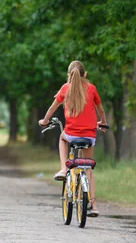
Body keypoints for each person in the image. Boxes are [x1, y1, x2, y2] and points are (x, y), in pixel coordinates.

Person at [38, 60, 107, 217]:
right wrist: (102, 123)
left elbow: (52, 108)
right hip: (89, 135)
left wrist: (44, 121)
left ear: (69, 75)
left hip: (71, 134)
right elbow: (101, 110)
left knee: (62, 139)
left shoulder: (65, 88)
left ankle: (64, 168)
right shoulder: (92, 89)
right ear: (85, 74)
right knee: (87, 168)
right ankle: (94, 205)